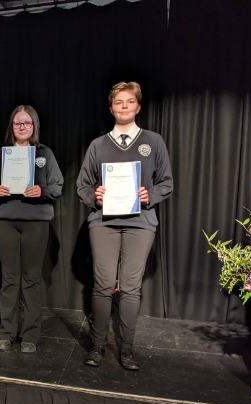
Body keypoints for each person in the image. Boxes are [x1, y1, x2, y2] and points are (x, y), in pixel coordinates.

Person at [76, 81, 173, 370]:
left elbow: (166, 182)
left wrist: (149, 195)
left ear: (138, 106)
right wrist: (95, 195)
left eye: (130, 101)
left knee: (131, 287)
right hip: (103, 222)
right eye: (119, 102)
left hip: (140, 223)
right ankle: (97, 347)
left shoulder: (153, 141)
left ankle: (127, 350)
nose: (124, 107)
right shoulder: (98, 145)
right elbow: (82, 185)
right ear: (111, 108)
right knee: (103, 284)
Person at [0, 105, 64, 353]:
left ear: (34, 125)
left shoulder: (44, 153)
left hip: (35, 222)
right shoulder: (3, 154)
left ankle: (30, 334)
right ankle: (6, 332)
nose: (22, 127)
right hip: (7, 221)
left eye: (27, 123)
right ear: (12, 126)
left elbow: (57, 186)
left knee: (31, 278)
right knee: (9, 278)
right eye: (17, 123)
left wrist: (42, 190)